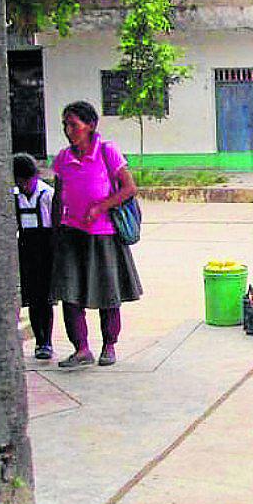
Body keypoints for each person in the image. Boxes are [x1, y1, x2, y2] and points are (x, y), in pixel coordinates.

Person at [49, 101, 143, 368]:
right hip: (71, 233)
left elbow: (129, 188)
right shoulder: (63, 159)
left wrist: (101, 207)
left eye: (74, 125)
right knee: (70, 294)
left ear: (90, 126)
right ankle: (81, 349)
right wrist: (55, 232)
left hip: (103, 234)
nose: (69, 131)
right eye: (65, 125)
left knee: (108, 292)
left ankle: (109, 345)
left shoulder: (107, 151)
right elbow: (58, 196)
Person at [13, 153, 56, 360]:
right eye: (20, 182)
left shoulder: (47, 195)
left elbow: (55, 226)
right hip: (25, 249)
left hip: (45, 250)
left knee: (44, 299)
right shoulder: (15, 197)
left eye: (27, 181)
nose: (24, 186)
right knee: (31, 298)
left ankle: (46, 341)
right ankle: (38, 340)